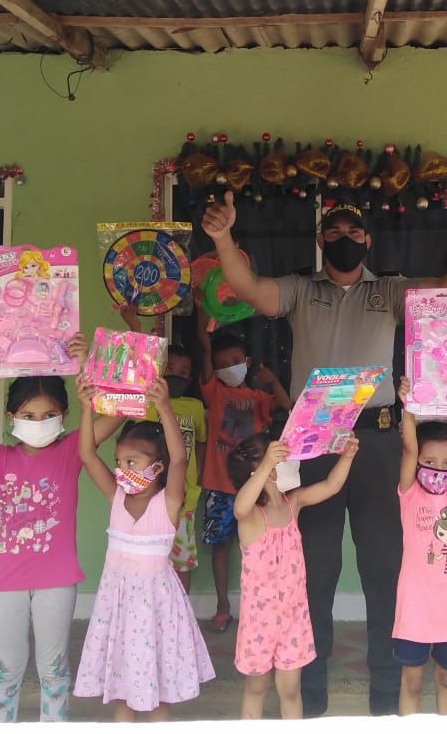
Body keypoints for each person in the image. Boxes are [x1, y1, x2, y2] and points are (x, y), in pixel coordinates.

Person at [202, 191, 447, 716]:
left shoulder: (390, 290)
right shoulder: (302, 289)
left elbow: (445, 288)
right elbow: (250, 289)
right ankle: (313, 701)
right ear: (320, 240)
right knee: (316, 571)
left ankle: (387, 705)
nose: (343, 241)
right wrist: (221, 239)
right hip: (315, 441)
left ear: (368, 240)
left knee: (383, 568)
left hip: (379, 440)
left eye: (353, 233)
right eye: (333, 233)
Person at [0, 336, 123, 723]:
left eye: (48, 415)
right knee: (5, 671)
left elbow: (117, 411)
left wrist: (86, 370)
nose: (39, 424)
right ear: (12, 417)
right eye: (29, 416)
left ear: (65, 414)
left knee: (54, 672)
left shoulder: (73, 449)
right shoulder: (1, 458)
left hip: (57, 580)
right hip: (5, 581)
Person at [73, 377, 214, 721]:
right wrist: (87, 409)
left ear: (158, 467)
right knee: (123, 691)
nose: (122, 470)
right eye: (120, 462)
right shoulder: (116, 497)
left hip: (157, 612)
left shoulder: (168, 504)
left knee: (157, 693)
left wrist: (164, 408)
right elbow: (87, 454)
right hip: (118, 608)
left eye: (132, 463)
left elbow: (180, 459)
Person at [227, 432, 358, 719]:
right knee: (257, 688)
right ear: (265, 471)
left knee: (290, 689)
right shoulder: (251, 517)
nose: (290, 461)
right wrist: (264, 467)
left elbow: (332, 486)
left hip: (294, 617)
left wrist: (347, 456)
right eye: (281, 458)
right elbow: (239, 507)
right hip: (258, 623)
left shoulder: (292, 503)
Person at [393, 375, 447, 715]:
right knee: (412, 683)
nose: (440, 470)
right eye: (431, 463)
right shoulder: (408, 493)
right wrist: (408, 407)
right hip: (414, 609)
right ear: (417, 464)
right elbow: (410, 447)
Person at [198, 322, 290, 633]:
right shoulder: (216, 393)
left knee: (263, 546)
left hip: (256, 487)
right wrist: (202, 317)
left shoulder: (258, 396)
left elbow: (287, 406)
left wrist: (272, 380)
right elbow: (205, 347)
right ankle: (223, 605)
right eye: (221, 365)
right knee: (221, 547)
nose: (227, 369)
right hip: (219, 486)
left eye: (234, 362)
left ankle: (263, 605)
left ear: (246, 362)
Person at [117, 306, 208, 592]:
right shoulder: (147, 401)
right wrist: (134, 324)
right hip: (149, 495)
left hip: (185, 499)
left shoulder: (194, 407)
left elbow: (201, 444)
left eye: (184, 373)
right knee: (148, 560)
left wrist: (199, 479)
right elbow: (139, 364)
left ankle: (180, 611)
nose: (177, 376)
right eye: (170, 370)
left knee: (181, 562)